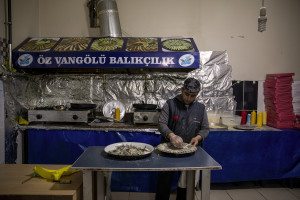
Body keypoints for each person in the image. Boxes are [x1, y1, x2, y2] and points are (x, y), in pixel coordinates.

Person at [155, 77, 210, 200]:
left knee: (185, 185)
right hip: (168, 151)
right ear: (182, 90)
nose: (189, 98)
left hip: (190, 152)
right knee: (164, 183)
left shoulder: (200, 108)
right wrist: (172, 136)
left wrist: (198, 137)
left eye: (193, 96)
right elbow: (161, 124)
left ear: (197, 94)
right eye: (186, 94)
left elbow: (205, 128)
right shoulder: (170, 104)